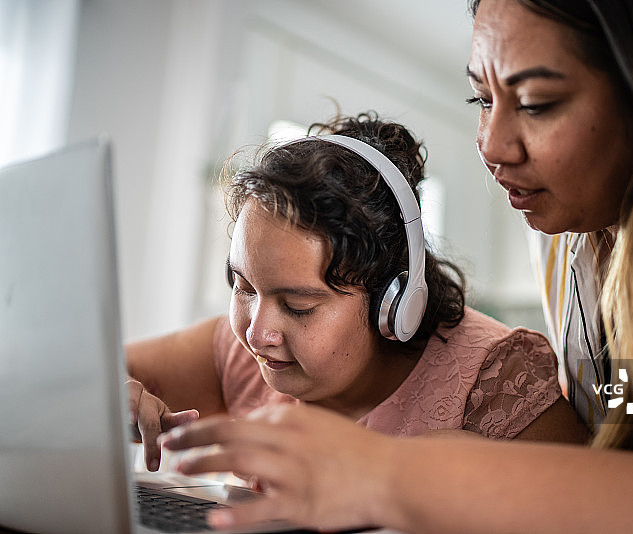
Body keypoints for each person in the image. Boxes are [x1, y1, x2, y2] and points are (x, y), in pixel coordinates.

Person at [160, 0, 633, 532]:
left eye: (539, 102)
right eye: (480, 99)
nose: (492, 147)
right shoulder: (570, 216)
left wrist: (388, 474)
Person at [127, 111, 587, 472]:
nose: (257, 332)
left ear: (394, 303)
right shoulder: (246, 351)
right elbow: (91, 376)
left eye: (298, 306)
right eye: (242, 286)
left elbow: (589, 515)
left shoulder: (499, 379)